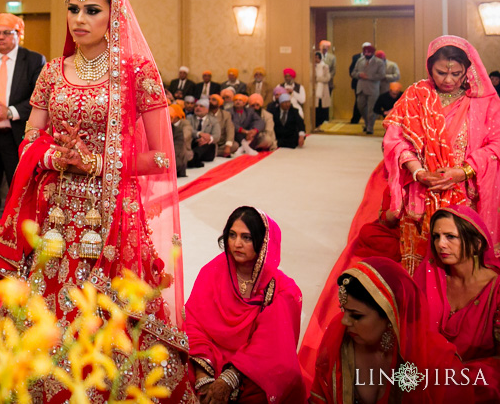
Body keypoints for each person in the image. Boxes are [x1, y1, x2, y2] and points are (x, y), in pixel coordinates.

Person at [0, 0, 194, 402]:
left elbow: (162, 156)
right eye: (74, 9)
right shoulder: (52, 72)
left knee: (111, 321)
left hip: (111, 217)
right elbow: (29, 139)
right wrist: (52, 157)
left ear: (112, 15)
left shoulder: (137, 72)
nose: (79, 18)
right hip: (55, 217)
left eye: (92, 10)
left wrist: (99, 161)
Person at [299, 36, 500, 383]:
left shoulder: (483, 102)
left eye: (456, 72)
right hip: (420, 202)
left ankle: (453, 346)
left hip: (463, 203)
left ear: (468, 70)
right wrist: (415, 169)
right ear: (429, 67)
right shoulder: (417, 95)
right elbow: (394, 139)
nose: (449, 79)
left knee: (456, 268)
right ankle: (415, 348)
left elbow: (496, 145)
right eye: (441, 72)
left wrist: (462, 170)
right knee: (418, 276)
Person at [187, 208, 305, 403]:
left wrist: (230, 377)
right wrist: (202, 377)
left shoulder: (283, 290)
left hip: (251, 367)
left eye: (247, 238)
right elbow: (193, 324)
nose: (237, 244)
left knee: (268, 388)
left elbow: (271, 345)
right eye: (232, 235)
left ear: (263, 242)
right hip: (208, 356)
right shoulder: (212, 273)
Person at [310, 257, 467, 403]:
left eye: (357, 316)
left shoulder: (439, 364)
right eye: (344, 310)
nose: (345, 321)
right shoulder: (340, 339)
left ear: (391, 317)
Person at [414, 206, 500, 401]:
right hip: (428, 376)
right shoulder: (429, 276)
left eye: (450, 237)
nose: (440, 244)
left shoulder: (495, 289)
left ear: (477, 244)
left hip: (478, 383)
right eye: (436, 236)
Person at [0, 12, 45, 219]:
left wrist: (9, 111)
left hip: (16, 137)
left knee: (19, 193)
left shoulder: (33, 60)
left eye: (7, 32)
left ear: (19, 34)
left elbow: (39, 98)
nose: (0, 37)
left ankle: (15, 240)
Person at [352, 43, 386, 135]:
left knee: (371, 110)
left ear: (372, 53)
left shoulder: (379, 62)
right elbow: (353, 73)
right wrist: (359, 74)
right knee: (361, 107)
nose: (367, 54)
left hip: (373, 89)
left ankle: (370, 128)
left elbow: (381, 75)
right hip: (361, 88)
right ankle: (367, 124)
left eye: (369, 52)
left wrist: (368, 76)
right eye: (365, 52)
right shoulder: (360, 61)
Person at [186, 98, 220, 167]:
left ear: (207, 110)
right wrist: (199, 134)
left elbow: (217, 136)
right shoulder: (189, 118)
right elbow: (188, 130)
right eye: (196, 106)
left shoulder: (213, 120)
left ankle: (193, 158)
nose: (198, 108)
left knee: (208, 145)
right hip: (193, 144)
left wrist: (208, 139)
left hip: (207, 148)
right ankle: (193, 157)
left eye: (201, 106)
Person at [209, 93, 235, 158]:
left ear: (219, 103)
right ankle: (213, 152)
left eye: (213, 100)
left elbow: (230, 130)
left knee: (235, 145)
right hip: (209, 142)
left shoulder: (226, 114)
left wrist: (228, 146)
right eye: (209, 99)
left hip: (221, 142)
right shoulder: (205, 112)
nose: (210, 101)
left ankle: (212, 153)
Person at [313, 51, 332, 127]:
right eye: (315, 57)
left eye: (317, 57)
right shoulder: (312, 66)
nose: (316, 59)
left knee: (322, 106)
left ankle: (322, 122)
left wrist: (317, 79)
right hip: (315, 89)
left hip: (323, 89)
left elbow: (327, 78)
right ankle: (316, 124)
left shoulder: (325, 66)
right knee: (316, 107)